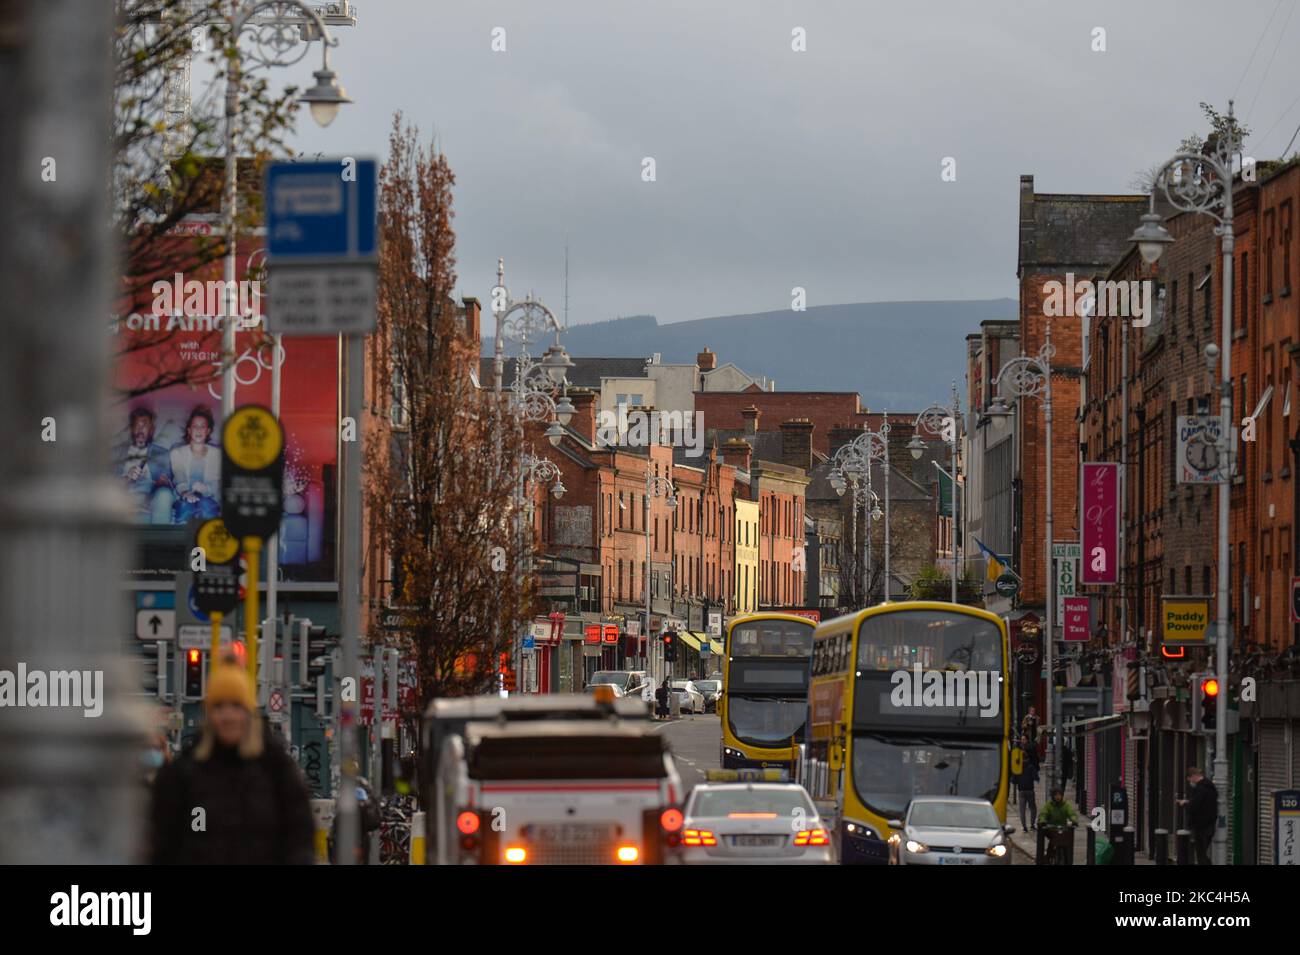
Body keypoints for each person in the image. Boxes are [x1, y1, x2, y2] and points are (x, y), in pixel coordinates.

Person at [149, 663, 314, 864]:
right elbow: (164, 843)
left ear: (248, 712)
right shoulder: (184, 774)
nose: (228, 716)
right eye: (219, 707)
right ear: (209, 714)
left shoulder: (277, 771)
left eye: (236, 706)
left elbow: (299, 839)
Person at [114, 406, 174, 523]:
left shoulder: (161, 453)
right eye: (137, 425)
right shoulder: (116, 453)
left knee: (164, 494)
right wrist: (127, 478)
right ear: (131, 429)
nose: (140, 430)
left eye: (145, 425)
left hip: (149, 500)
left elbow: (168, 483)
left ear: (152, 429)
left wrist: (161, 482)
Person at [170, 404, 221, 523]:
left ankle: (207, 539)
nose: (198, 430)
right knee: (185, 507)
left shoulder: (217, 454)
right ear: (189, 430)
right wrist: (185, 492)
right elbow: (179, 475)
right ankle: (183, 540)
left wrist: (206, 489)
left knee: (205, 504)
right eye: (195, 426)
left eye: (202, 427)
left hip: (209, 497)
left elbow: (216, 482)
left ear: (208, 431)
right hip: (184, 497)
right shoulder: (176, 452)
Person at [1177, 767, 1218, 865]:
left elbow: (1193, 808)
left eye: (1189, 779)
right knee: (1202, 853)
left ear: (1194, 776)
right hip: (1209, 825)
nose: (1190, 782)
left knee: (1201, 854)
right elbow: (1203, 804)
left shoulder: (1200, 789)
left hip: (1201, 826)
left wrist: (1185, 804)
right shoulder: (1210, 787)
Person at [1015, 734, 1040, 831]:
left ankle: (1024, 827)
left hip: (1021, 789)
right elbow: (1036, 778)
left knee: (1022, 810)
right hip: (1030, 789)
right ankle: (1032, 824)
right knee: (1032, 807)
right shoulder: (1031, 767)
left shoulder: (1018, 768)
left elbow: (1014, 780)